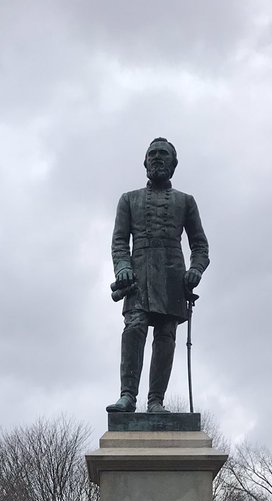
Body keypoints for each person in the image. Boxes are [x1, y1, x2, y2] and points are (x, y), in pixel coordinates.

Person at [107, 138, 210, 413]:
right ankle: (127, 395)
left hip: (172, 276)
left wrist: (195, 270)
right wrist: (122, 267)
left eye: (163, 154)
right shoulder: (128, 199)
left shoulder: (185, 202)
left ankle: (156, 401)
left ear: (174, 163)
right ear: (145, 163)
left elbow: (200, 245)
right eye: (152, 154)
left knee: (166, 336)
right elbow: (119, 242)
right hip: (138, 276)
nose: (157, 158)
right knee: (134, 328)